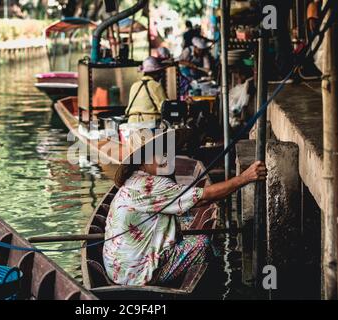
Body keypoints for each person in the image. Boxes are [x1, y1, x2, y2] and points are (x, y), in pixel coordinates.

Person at [103, 129, 267, 286]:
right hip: (137, 274)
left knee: (185, 224)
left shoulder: (132, 181)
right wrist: (245, 177)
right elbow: (205, 197)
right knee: (202, 243)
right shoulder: (152, 184)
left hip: (115, 270)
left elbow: (198, 201)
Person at [125, 57, 168, 124]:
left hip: (132, 123)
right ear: (156, 73)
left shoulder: (134, 86)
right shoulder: (156, 85)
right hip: (149, 124)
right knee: (170, 133)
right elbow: (164, 108)